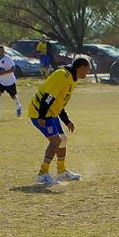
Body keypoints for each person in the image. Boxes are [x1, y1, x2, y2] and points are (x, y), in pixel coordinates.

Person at [28, 57, 91, 185]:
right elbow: (48, 96)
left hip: (51, 113)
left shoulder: (72, 79)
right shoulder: (62, 75)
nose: (88, 72)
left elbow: (59, 103)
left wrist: (67, 121)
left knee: (62, 139)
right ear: (81, 67)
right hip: (40, 112)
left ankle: (61, 172)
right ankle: (42, 174)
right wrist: (41, 116)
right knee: (56, 140)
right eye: (87, 69)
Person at [0, 45, 22, 119]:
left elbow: (14, 68)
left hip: (10, 81)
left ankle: (18, 106)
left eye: (2, 51)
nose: (0, 53)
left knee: (13, 96)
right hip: (0, 81)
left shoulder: (8, 59)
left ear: (4, 51)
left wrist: (5, 72)